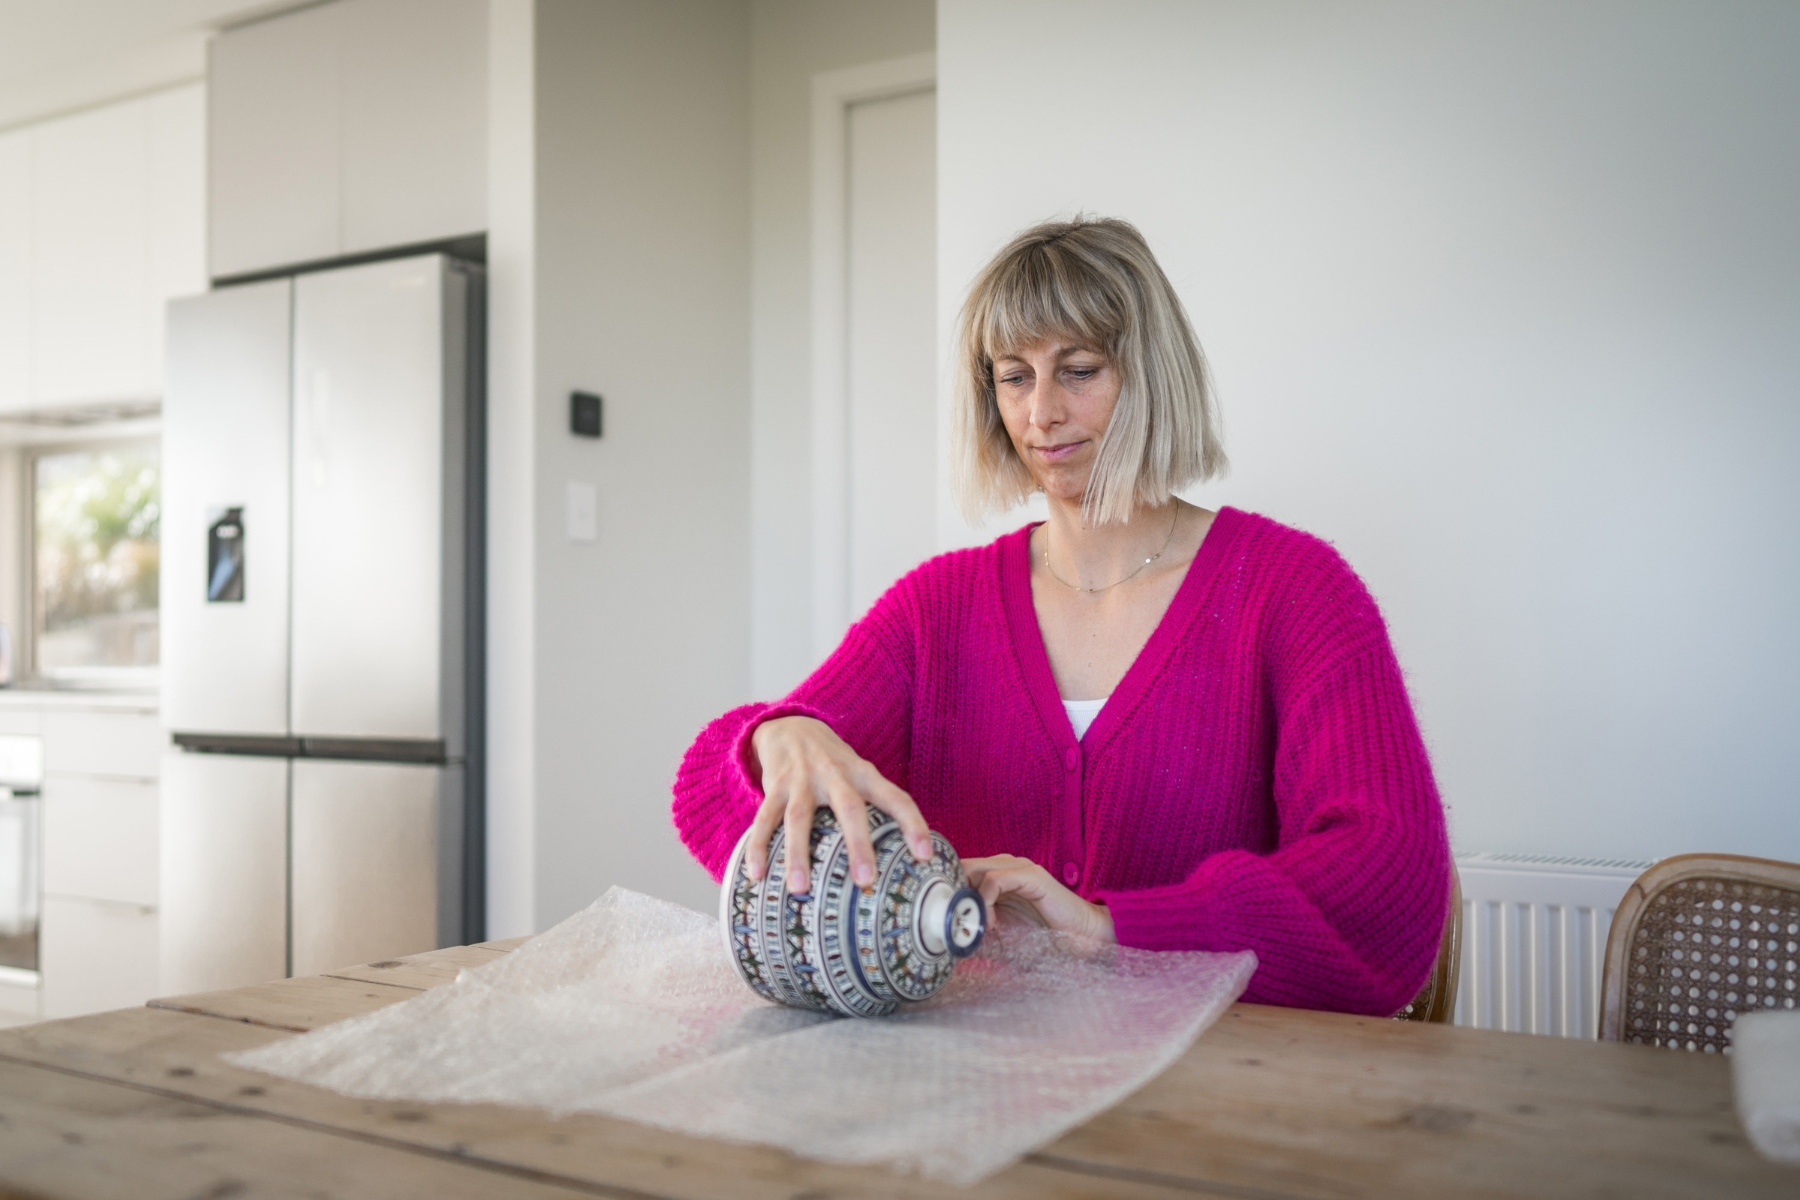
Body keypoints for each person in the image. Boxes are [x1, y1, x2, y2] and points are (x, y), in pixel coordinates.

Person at [672, 216, 1451, 1016]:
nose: (1041, 413)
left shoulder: (1295, 592)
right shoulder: (936, 609)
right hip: (972, 1074)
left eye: (1078, 371)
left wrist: (1110, 929)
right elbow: (708, 793)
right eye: (1014, 377)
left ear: (1150, 376)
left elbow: (1387, 887)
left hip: (1223, 1072)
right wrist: (777, 740)